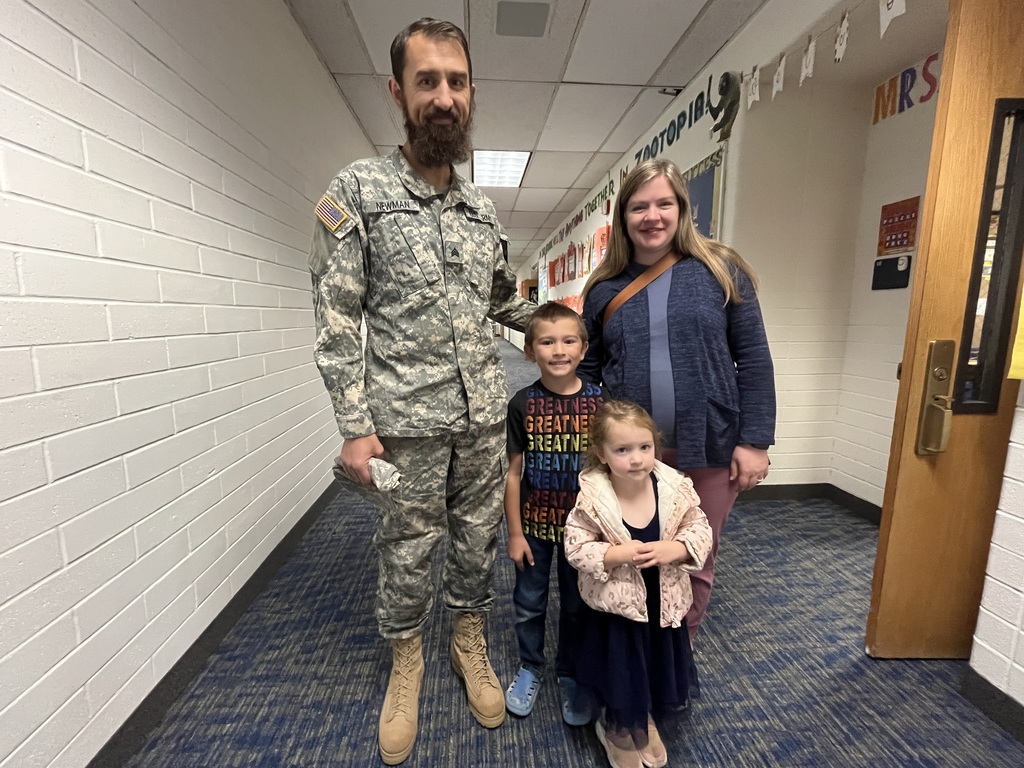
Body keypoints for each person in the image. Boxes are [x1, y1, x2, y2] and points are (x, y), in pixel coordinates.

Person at [307, 17, 535, 766]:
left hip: (479, 424)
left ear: (472, 94)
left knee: (475, 543)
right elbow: (336, 313)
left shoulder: (481, 212)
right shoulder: (359, 192)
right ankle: (406, 660)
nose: (444, 97)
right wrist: (352, 423)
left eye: (457, 82)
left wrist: (574, 323)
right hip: (401, 427)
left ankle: (467, 638)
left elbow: (502, 301)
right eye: (428, 81)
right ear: (398, 91)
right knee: (406, 549)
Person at [577, 158, 776, 673]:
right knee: (632, 552)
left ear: (682, 208)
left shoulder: (720, 269)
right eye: (639, 206)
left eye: (664, 203)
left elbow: (753, 357)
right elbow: (589, 369)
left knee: (693, 554)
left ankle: (676, 651)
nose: (652, 216)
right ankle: (632, 648)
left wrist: (755, 440)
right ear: (623, 218)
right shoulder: (603, 288)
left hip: (709, 440)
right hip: (631, 455)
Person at [564, 400, 713, 768]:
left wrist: (675, 548)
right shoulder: (593, 498)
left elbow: (701, 529)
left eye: (645, 447)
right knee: (621, 668)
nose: (636, 459)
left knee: (652, 664)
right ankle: (616, 725)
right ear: (601, 454)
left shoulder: (675, 488)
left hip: (663, 604)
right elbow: (575, 547)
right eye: (622, 450)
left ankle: (641, 716)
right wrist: (616, 555)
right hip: (617, 609)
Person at [503, 302, 604, 724]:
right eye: (547, 341)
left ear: (583, 349)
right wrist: (514, 534)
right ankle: (530, 666)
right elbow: (512, 474)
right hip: (534, 527)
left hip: (583, 533)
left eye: (568, 341)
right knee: (529, 602)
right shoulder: (522, 404)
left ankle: (570, 672)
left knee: (578, 605)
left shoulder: (602, 404)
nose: (558, 350)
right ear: (530, 351)